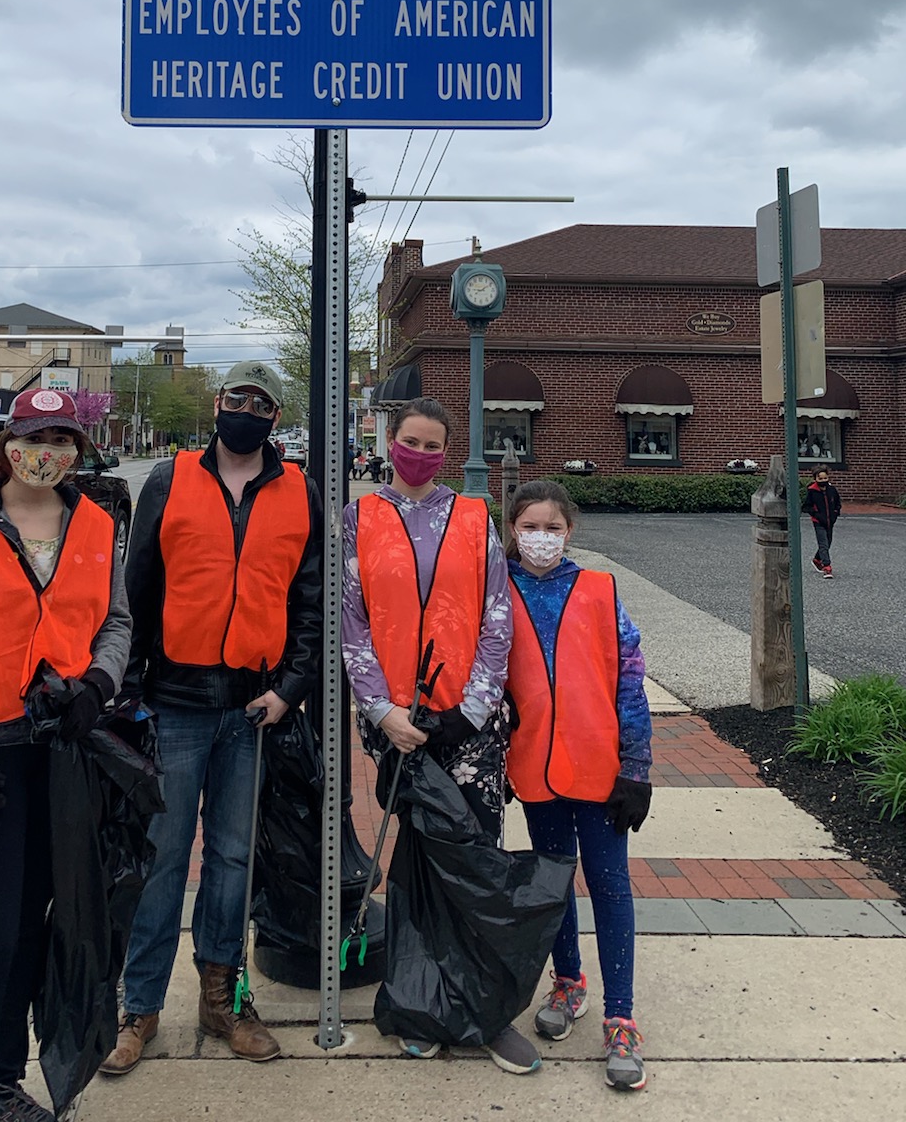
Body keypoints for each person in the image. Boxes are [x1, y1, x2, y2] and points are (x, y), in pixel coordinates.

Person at [102, 360, 323, 1075]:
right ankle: (138, 1009)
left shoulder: (300, 493)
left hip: (252, 708)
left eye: (261, 403)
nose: (246, 410)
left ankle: (223, 998)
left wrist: (290, 687)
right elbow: (135, 592)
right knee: (163, 858)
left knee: (233, 858)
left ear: (274, 416)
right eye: (237, 398)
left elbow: (311, 604)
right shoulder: (168, 480)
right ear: (218, 404)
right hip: (175, 704)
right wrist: (128, 694)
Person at [0, 387, 132, 1122]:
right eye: (35, 437)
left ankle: (3, 1081)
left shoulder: (97, 524)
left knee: (42, 919)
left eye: (64, 439)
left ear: (80, 449)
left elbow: (117, 621)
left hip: (64, 752)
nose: (48, 453)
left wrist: (98, 682)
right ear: (8, 443)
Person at [341, 396, 541, 1076]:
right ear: (389, 442)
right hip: (399, 726)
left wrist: (474, 708)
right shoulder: (359, 518)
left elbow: (496, 615)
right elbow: (351, 622)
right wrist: (381, 711)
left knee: (478, 861)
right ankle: (421, 1003)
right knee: (420, 863)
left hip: (469, 727)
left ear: (446, 454)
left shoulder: (472, 517)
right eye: (411, 442)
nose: (420, 455)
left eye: (433, 446)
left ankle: (487, 1010)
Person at [503, 479, 652, 1093]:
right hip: (535, 765)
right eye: (530, 526)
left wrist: (636, 766)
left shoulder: (600, 589)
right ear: (512, 529)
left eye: (553, 527)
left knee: (610, 883)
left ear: (570, 530)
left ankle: (622, 1017)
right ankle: (569, 982)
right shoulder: (498, 590)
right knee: (553, 876)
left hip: (598, 766)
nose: (541, 537)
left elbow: (630, 676)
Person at [804, 466, 842, 578]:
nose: (823, 481)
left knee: (828, 542)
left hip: (830, 521)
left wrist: (835, 513)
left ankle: (817, 559)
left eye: (825, 478)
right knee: (823, 543)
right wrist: (816, 514)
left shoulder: (832, 490)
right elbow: (806, 506)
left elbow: (837, 503)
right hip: (818, 521)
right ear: (815, 479)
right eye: (820, 479)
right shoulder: (812, 491)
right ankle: (827, 567)